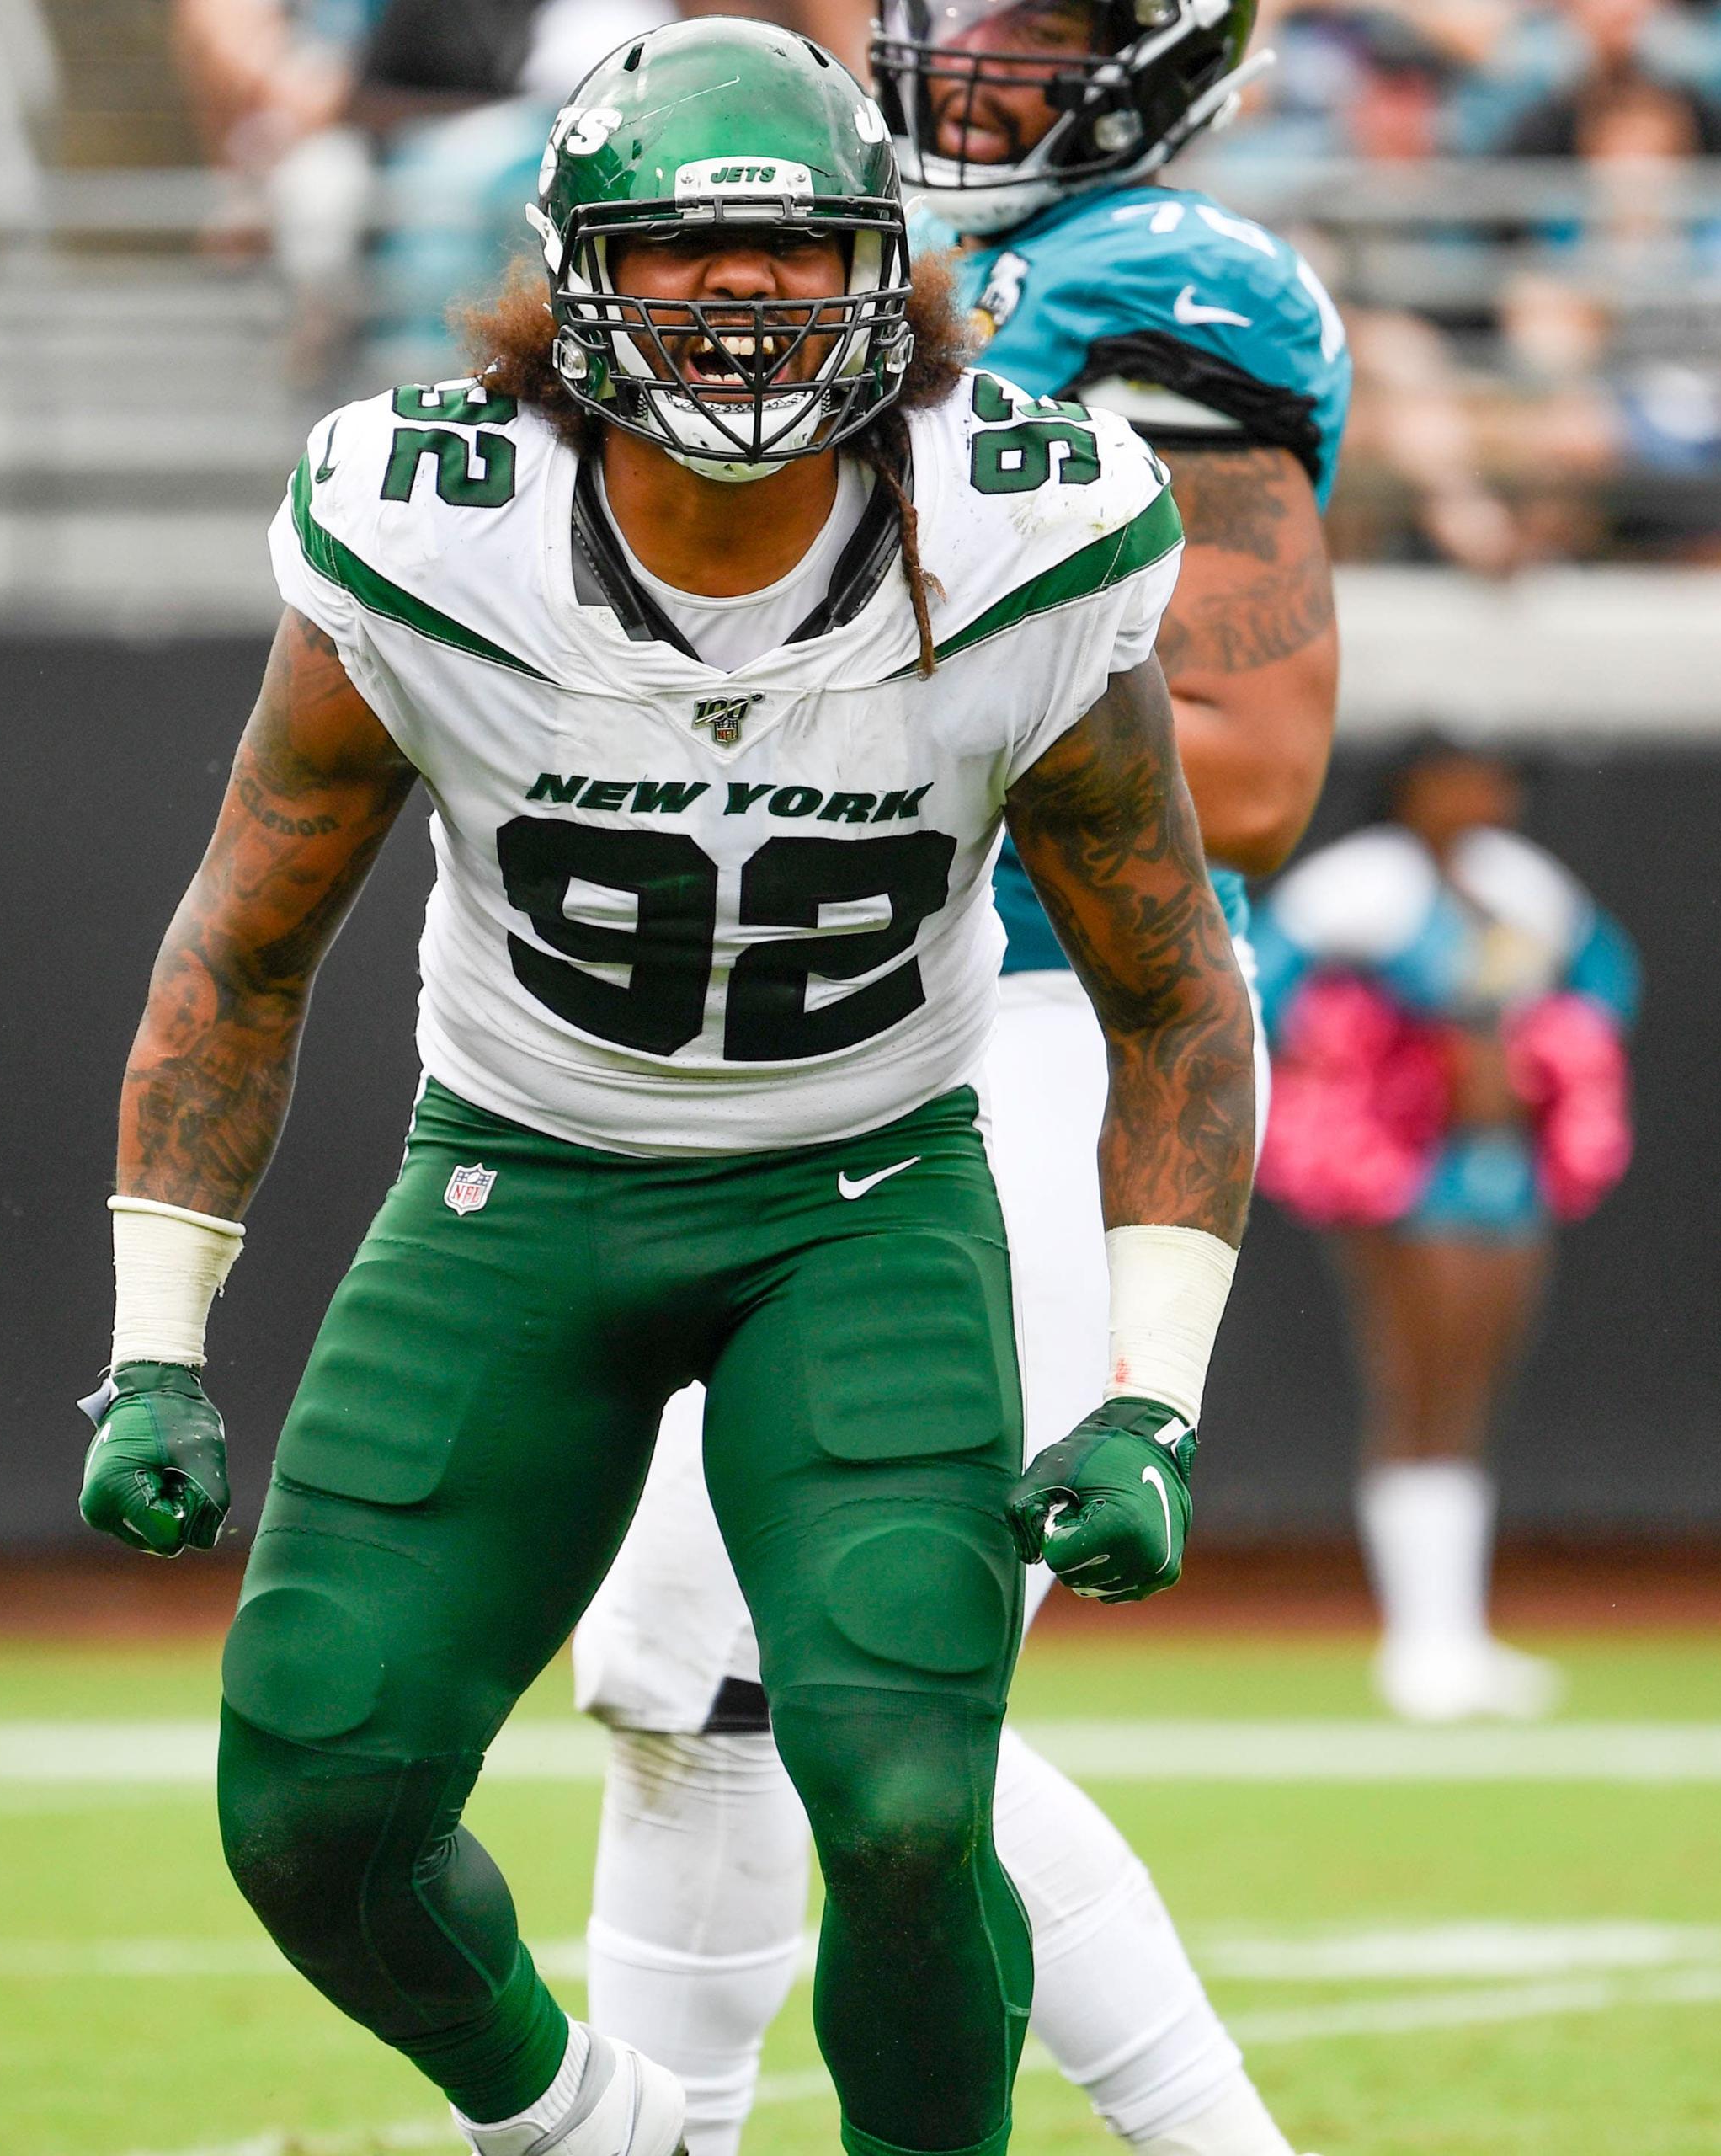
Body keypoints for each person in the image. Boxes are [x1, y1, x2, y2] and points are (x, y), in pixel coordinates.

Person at [80, 24, 1260, 2156]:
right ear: (569, 285)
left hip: (860, 1193)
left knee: (903, 1802)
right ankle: (590, 2123)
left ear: (882, 274)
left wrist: (1151, 1390)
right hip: (514, 1183)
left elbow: (1173, 985)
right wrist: (151, 1342)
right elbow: (240, 946)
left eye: (797, 256)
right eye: (684, 255)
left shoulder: (1024, 530)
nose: (742, 302)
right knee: (312, 1788)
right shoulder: (430, 528)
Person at [563, 2, 1351, 2151]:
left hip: (1047, 1024)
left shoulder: (1146, 282)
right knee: (680, 1678)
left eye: (1034, 19)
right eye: (949, 11)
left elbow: (1260, 771)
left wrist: (856, 719)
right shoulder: (836, 248)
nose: (970, 57)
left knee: (838, 1673)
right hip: (818, 1036)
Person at [1253, 739, 1638, 1722]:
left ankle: (1456, 1633)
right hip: (1403, 1168)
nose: (1486, 793)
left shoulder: (1521, 883)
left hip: (1502, 1166)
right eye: (1462, 774)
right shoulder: (1358, 885)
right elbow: (1265, 992)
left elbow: (1605, 979)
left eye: (1498, 776)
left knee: (1473, 1386)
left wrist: (1542, 1053)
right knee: (1415, 1379)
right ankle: (1418, 1642)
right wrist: (1376, 1061)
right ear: (1413, 787)